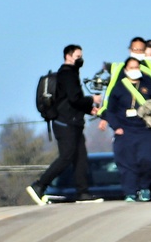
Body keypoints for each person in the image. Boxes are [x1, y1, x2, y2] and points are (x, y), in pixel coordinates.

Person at [26, 45, 101, 204]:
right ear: (68, 56)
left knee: (81, 157)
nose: (81, 59)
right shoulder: (67, 74)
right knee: (66, 157)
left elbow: (70, 101)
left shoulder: (71, 73)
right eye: (78, 56)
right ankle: (39, 185)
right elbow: (74, 99)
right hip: (66, 123)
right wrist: (92, 100)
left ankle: (82, 192)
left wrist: (89, 109)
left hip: (73, 122)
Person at [103, 57, 151, 202]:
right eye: (131, 68)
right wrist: (116, 127)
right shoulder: (118, 88)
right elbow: (109, 110)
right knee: (126, 163)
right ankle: (130, 192)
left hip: (146, 130)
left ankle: (144, 188)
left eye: (137, 67)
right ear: (125, 70)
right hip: (125, 130)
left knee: (148, 159)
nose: (135, 70)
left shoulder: (148, 85)